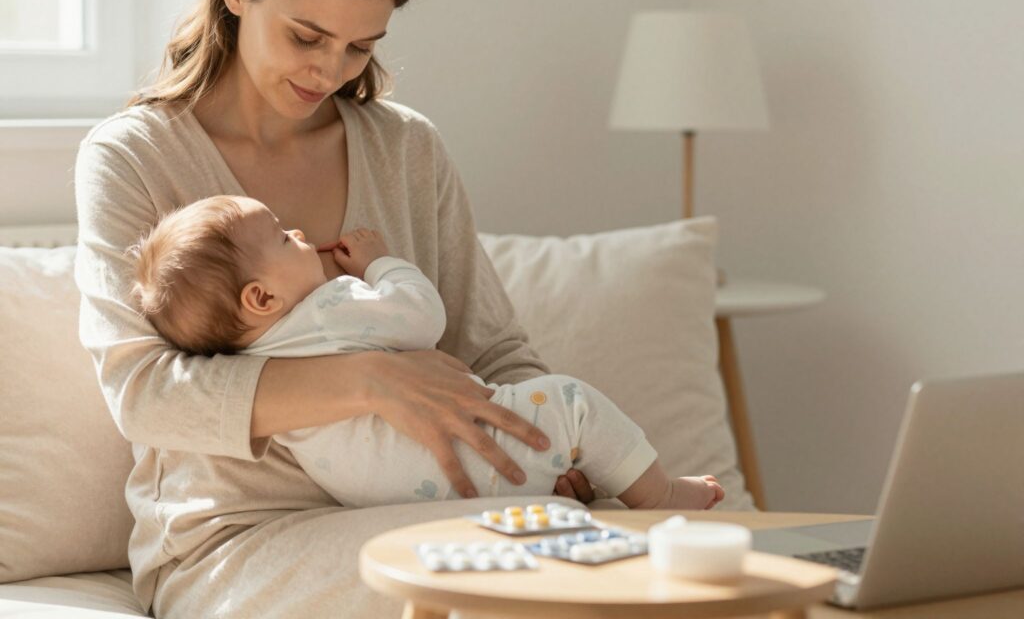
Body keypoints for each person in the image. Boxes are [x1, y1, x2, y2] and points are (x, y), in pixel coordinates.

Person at [74, 0, 608, 618]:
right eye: (307, 35)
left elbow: (494, 351)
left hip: (435, 501)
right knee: (531, 569)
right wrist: (369, 380)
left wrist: (551, 453)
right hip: (237, 539)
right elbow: (145, 395)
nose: (329, 70)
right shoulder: (134, 156)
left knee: (602, 549)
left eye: (361, 46)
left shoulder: (407, 150)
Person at [128, 194, 726, 511]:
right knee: (575, 403)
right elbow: (423, 317)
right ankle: (661, 495)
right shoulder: (332, 307)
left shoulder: (254, 364)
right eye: (285, 237)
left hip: (379, 497)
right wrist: (377, 263)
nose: (302, 235)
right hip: (460, 459)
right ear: (260, 296)